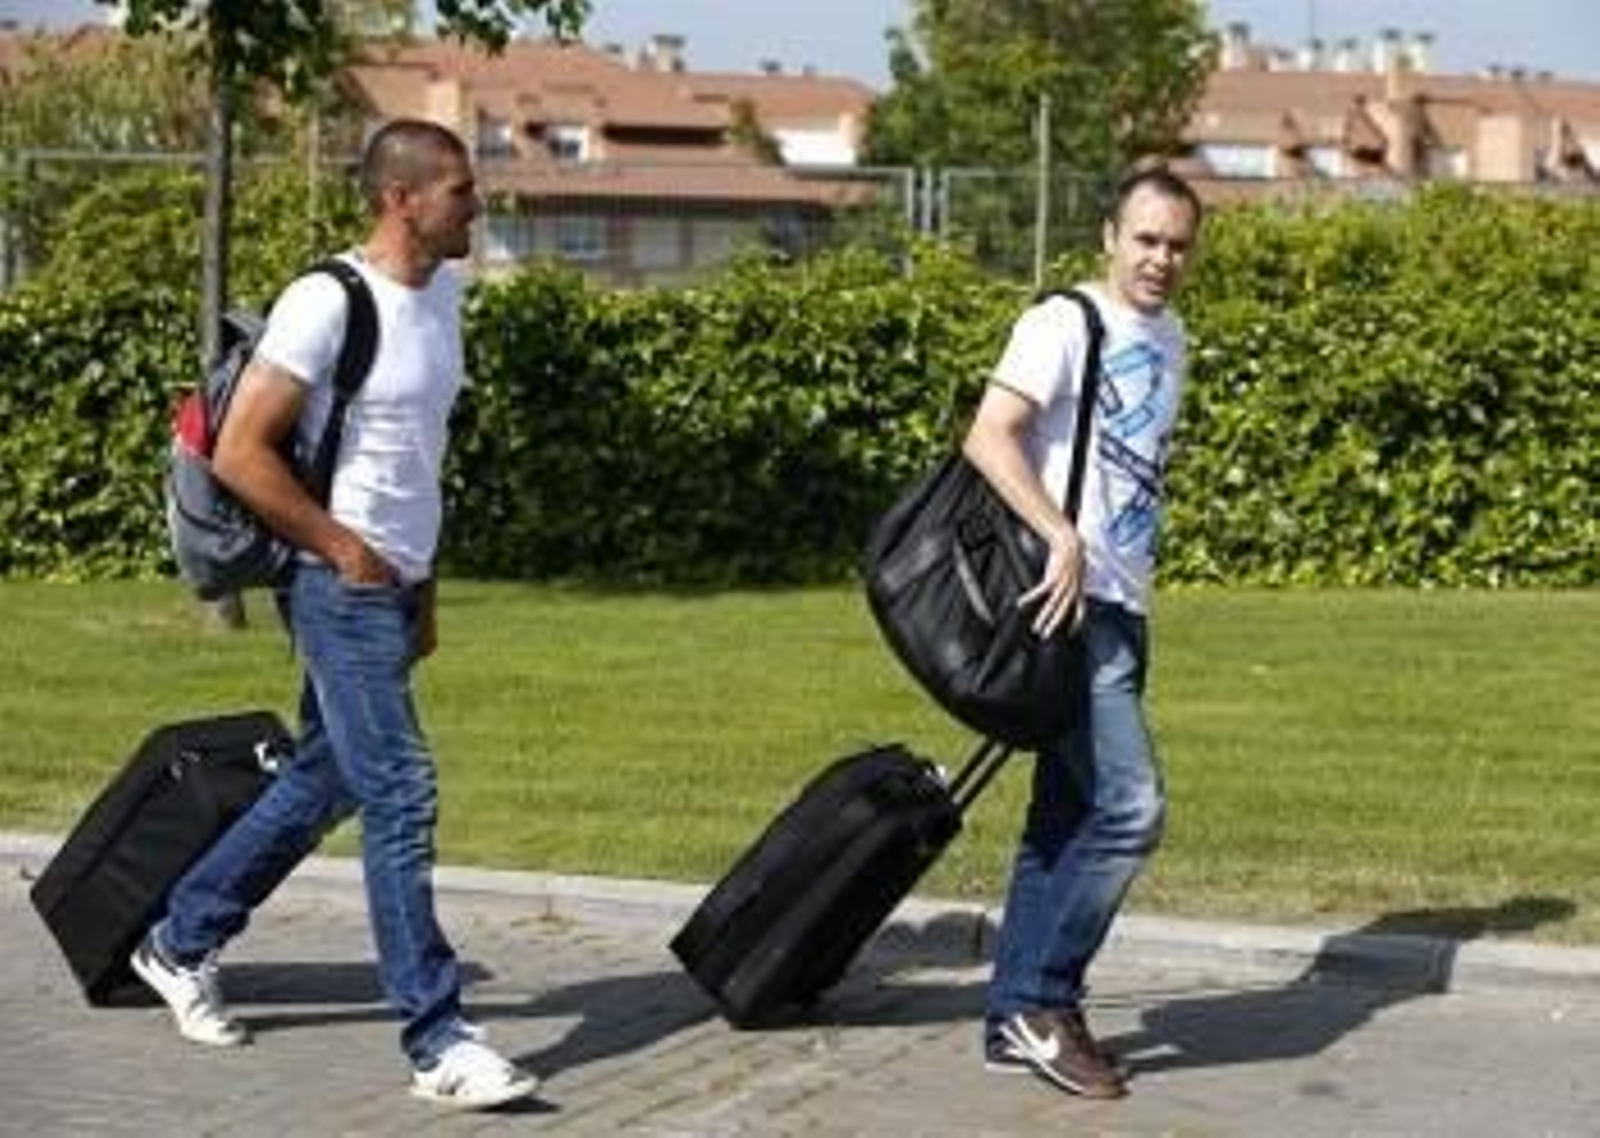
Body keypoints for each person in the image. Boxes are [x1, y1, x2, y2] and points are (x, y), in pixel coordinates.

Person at [129, 119, 540, 1111]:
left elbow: (416, 460)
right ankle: (438, 1036)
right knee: (401, 787)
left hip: (395, 586)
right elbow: (242, 452)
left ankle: (178, 938)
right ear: (400, 198)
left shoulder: (443, 298)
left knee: (328, 777)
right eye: (459, 192)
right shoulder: (325, 301)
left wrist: (423, 585)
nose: (475, 207)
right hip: (336, 580)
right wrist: (341, 548)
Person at [961, 164, 1204, 1100]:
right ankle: (1042, 1000)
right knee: (1132, 809)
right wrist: (1058, 534)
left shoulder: (1171, 335)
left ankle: (1011, 1016)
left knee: (1061, 820)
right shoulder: (1065, 321)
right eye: (1145, 239)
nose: (1160, 259)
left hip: (1123, 605)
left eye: (1177, 244)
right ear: (1110, 235)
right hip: (1068, 609)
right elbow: (990, 435)